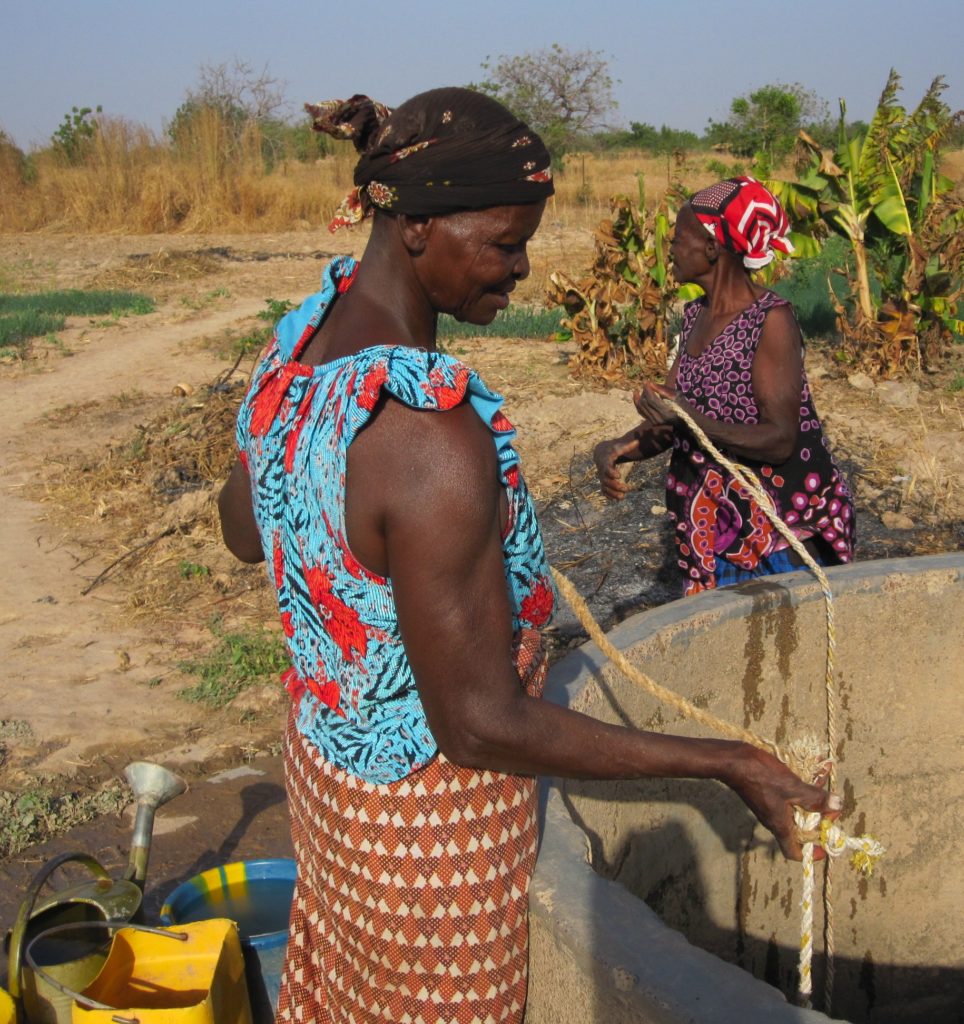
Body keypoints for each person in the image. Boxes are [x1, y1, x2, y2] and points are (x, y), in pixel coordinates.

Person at [217, 97, 838, 1024]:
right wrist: (731, 762)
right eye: (506, 242)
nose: (523, 266)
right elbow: (475, 726)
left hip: (332, 784)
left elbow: (242, 526)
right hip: (433, 852)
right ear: (418, 226)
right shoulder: (430, 436)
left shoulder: (303, 341)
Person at [594, 177, 856, 596]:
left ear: (713, 248)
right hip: (717, 528)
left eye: (679, 239)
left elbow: (779, 440)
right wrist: (618, 447)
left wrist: (687, 417)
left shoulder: (770, 320)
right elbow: (676, 420)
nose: (671, 250)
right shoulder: (696, 315)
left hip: (774, 535)